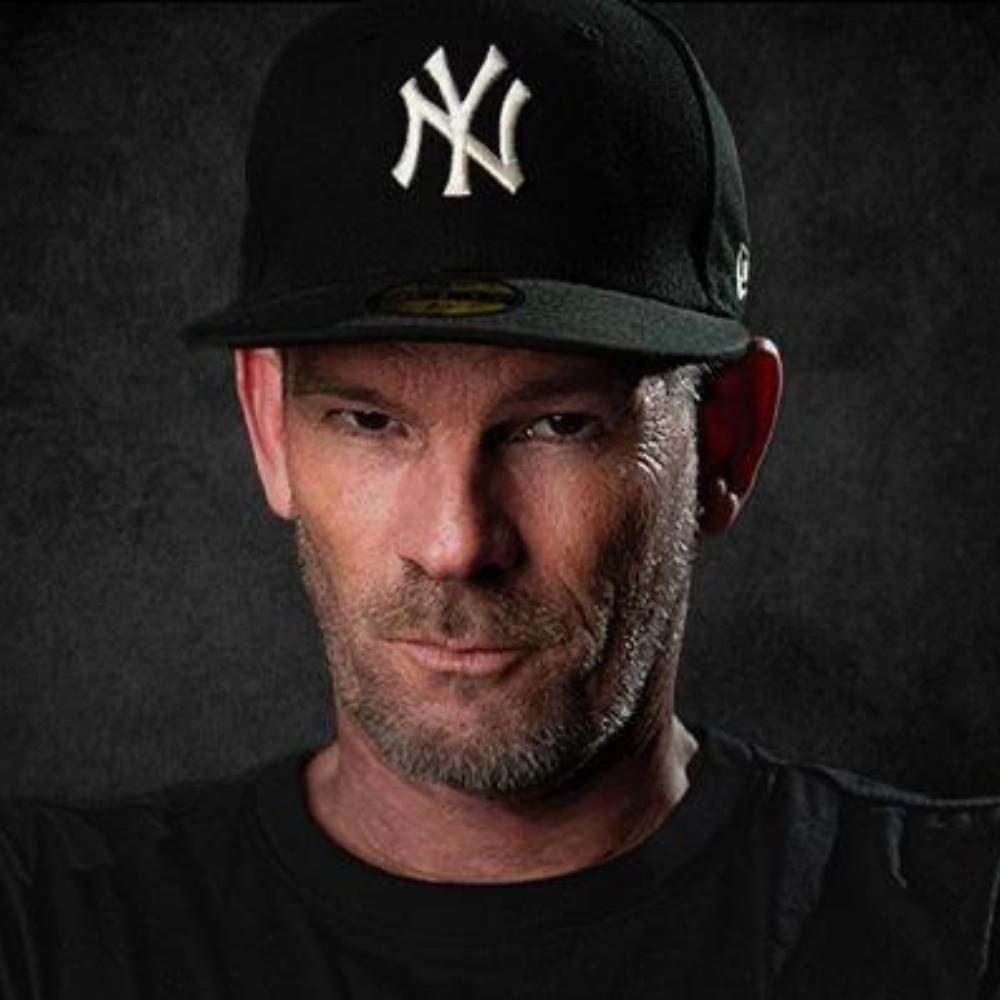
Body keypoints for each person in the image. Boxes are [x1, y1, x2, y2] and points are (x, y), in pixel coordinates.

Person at [1, 1, 998, 997]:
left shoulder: (962, 929)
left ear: (725, 436)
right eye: (370, 421)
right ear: (268, 425)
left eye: (556, 424)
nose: (455, 541)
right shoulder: (49, 931)